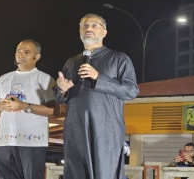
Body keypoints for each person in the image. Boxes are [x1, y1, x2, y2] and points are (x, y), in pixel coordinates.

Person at [55, 13, 139, 179]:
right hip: (75, 129)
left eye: (95, 25)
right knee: (76, 173)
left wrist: (98, 77)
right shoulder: (71, 62)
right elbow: (59, 98)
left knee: (105, 173)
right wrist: (63, 89)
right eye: (85, 26)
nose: (89, 29)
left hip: (105, 129)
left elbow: (131, 90)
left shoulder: (118, 58)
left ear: (104, 32)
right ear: (79, 31)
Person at [0, 39, 59, 179]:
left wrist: (24, 106)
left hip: (32, 142)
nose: (21, 55)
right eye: (18, 52)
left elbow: (55, 111)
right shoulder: (4, 78)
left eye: (27, 52)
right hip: (4, 141)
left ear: (36, 56)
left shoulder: (45, 79)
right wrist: (0, 106)